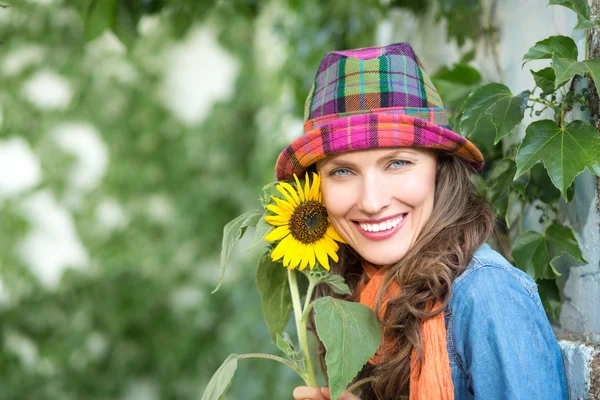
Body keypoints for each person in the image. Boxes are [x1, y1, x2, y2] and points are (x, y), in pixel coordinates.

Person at [272, 43, 568, 399]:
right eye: (343, 171)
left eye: (397, 163)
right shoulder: (356, 293)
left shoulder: (486, 297)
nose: (372, 201)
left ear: (439, 168)